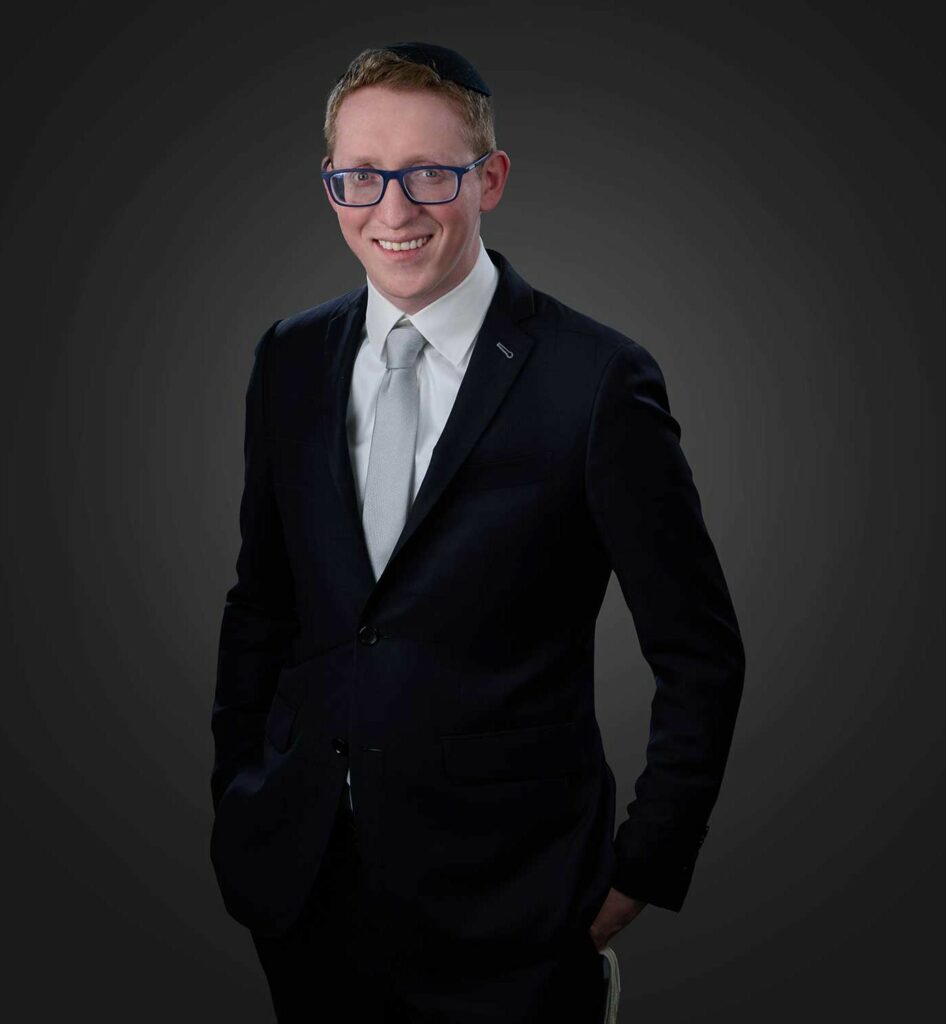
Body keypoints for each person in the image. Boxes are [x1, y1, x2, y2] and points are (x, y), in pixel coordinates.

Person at [209, 40, 745, 1024]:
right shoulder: (289, 357)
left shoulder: (594, 381)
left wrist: (646, 862)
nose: (393, 208)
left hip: (517, 912)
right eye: (360, 176)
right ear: (330, 182)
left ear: (488, 178)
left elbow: (698, 649)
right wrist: (238, 800)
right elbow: (262, 604)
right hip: (307, 893)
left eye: (430, 172)